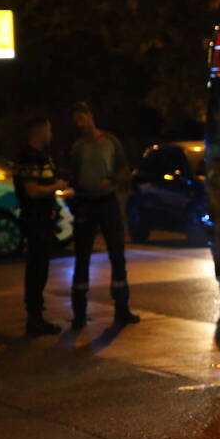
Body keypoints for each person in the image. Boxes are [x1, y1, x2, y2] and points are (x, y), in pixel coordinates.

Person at [67, 101, 140, 329]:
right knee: (82, 257)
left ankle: (122, 308)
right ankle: (79, 314)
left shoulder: (110, 142)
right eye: (76, 120)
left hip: (107, 203)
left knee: (117, 256)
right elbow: (72, 174)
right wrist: (79, 187)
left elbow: (124, 171)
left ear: (90, 116)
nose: (79, 123)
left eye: (81, 118)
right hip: (86, 203)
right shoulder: (77, 147)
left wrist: (111, 181)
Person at [14, 116, 70, 336]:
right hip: (35, 219)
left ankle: (37, 317)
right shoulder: (28, 156)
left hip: (44, 218)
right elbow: (32, 190)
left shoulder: (41, 156)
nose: (51, 135)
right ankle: (34, 319)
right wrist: (57, 186)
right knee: (37, 269)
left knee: (41, 267)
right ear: (40, 131)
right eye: (49, 130)